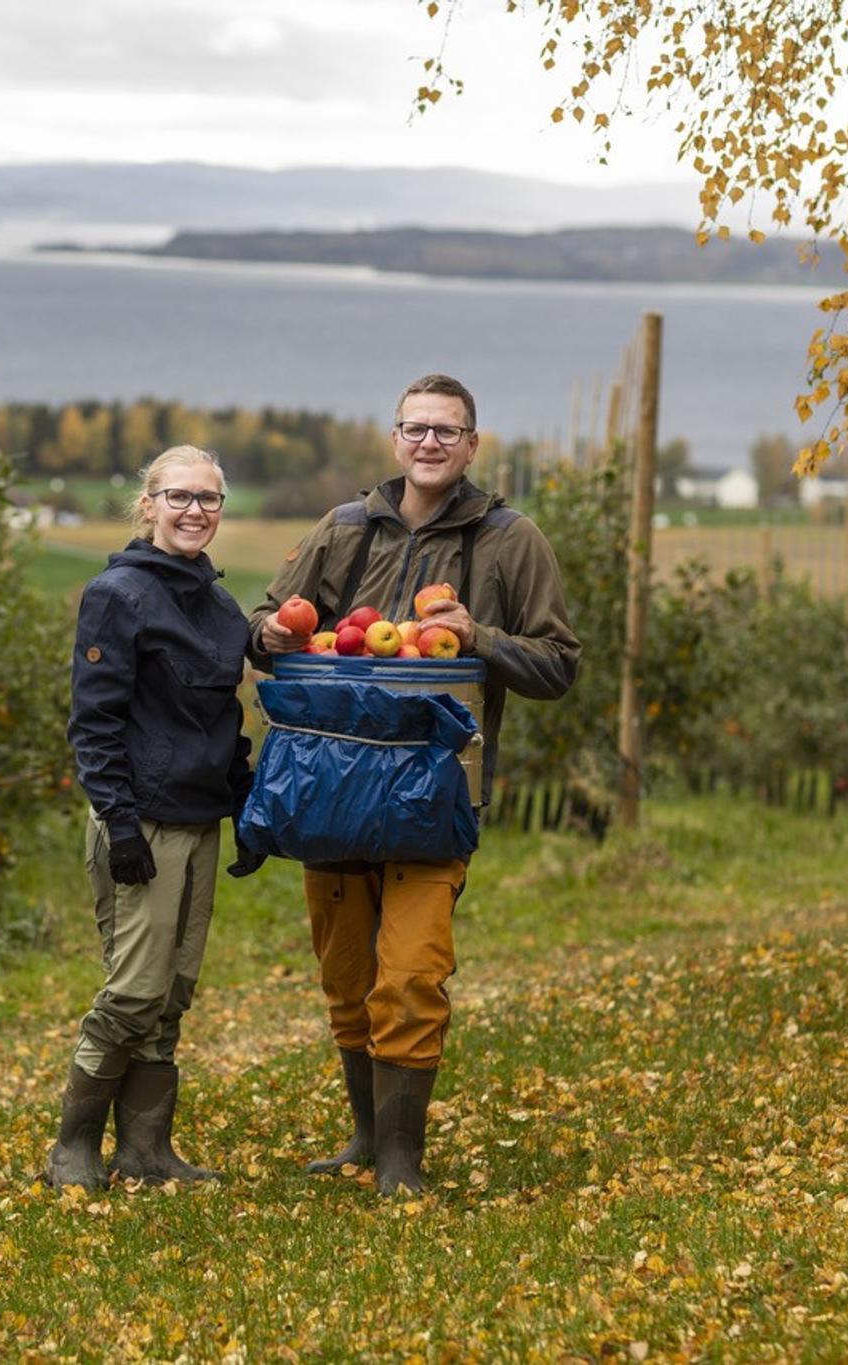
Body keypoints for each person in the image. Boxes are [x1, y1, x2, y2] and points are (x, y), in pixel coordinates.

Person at [247, 373, 580, 1196]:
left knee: (413, 974)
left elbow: (559, 664)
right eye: (416, 428)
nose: (429, 443)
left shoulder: (511, 539)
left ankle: (403, 1160)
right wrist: (273, 631)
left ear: (472, 444)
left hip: (434, 798)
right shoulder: (346, 528)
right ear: (395, 440)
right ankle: (366, 1137)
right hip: (332, 789)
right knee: (348, 974)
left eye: (447, 430)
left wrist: (480, 635)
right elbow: (268, 626)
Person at [45, 444, 255, 1189]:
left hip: (200, 821)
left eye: (208, 498)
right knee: (133, 989)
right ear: (149, 504)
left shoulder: (219, 604)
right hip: (143, 822)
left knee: (171, 996)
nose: (195, 510)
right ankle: (73, 1147)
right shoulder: (119, 594)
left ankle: (146, 1151)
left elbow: (222, 715)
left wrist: (245, 805)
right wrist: (120, 822)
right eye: (179, 496)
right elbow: (94, 723)